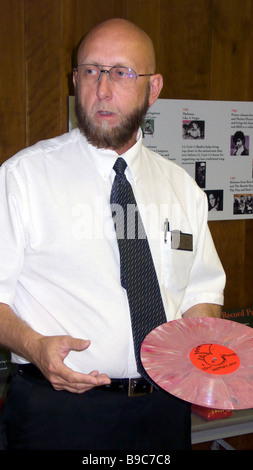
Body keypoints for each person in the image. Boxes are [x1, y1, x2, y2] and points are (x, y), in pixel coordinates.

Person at [0, 18, 225, 450]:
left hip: (163, 410)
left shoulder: (183, 189)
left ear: (152, 88)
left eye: (121, 73)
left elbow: (202, 290)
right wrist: (34, 345)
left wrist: (202, 343)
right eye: (90, 71)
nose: (102, 90)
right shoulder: (23, 178)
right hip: (59, 413)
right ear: (75, 80)